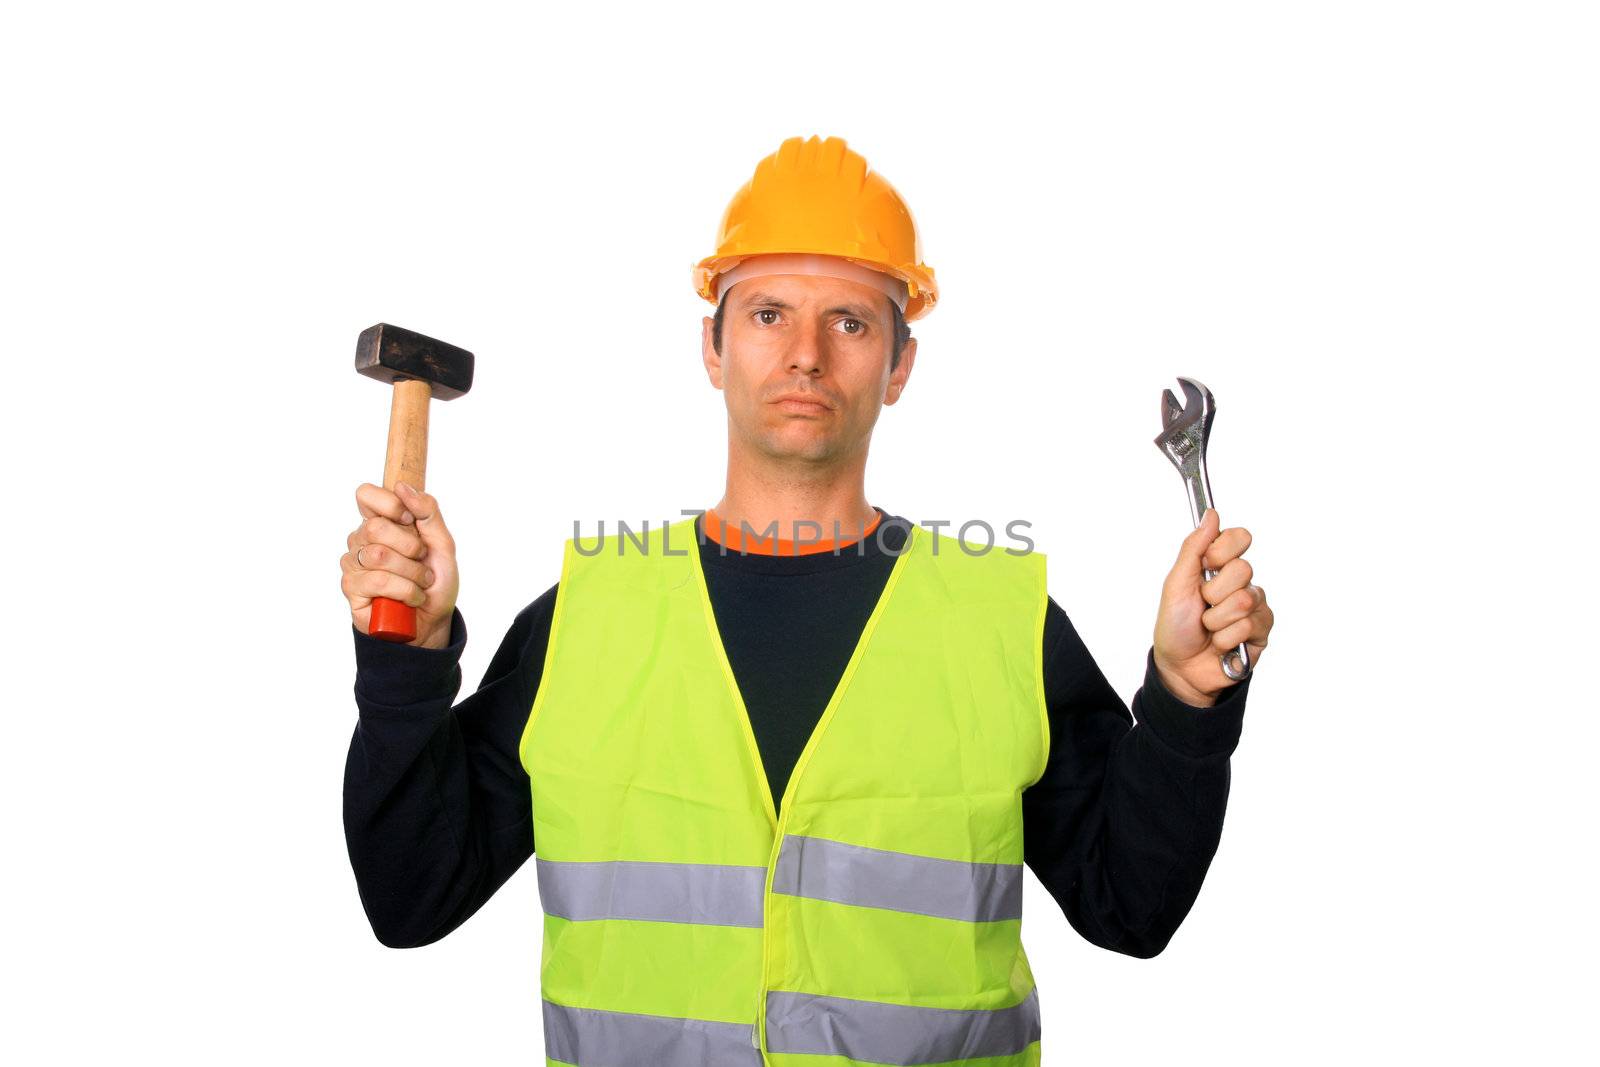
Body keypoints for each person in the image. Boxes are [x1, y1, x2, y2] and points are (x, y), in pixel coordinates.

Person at [340, 134, 1274, 1066]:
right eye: (768, 314)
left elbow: (1133, 909)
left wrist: (1186, 701)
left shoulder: (1002, 624)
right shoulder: (581, 622)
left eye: (853, 322)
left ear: (900, 368)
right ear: (712, 349)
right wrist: (404, 668)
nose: (806, 355)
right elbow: (411, 899)